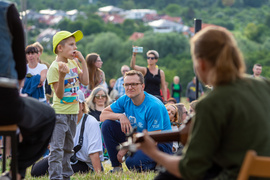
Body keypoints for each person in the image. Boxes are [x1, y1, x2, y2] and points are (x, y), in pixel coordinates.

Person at [137, 26, 270, 180]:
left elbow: (188, 170)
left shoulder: (211, 103)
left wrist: (152, 152)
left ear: (201, 63)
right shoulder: (265, 86)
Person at [0, 1, 55, 179]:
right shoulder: (6, 9)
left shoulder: (43, 68)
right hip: (4, 102)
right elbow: (20, 68)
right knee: (47, 116)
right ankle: (17, 171)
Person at [100, 70, 172, 172]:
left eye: (134, 84)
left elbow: (153, 140)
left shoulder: (153, 105)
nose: (130, 87)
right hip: (137, 138)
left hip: (160, 143)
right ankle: (117, 167)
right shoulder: (125, 99)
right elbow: (103, 115)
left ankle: (161, 164)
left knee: (132, 163)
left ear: (142, 86)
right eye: (127, 84)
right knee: (107, 125)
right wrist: (120, 116)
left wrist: (125, 149)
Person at [47, 30, 89, 180]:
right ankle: (55, 177)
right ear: (60, 48)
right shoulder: (53, 68)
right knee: (57, 149)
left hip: (73, 112)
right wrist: (62, 76)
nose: (75, 48)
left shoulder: (72, 62)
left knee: (68, 148)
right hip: (59, 113)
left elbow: (85, 81)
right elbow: (58, 94)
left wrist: (83, 61)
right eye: (71, 45)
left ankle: (66, 176)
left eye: (75, 44)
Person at [30, 90, 103, 177]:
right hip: (64, 157)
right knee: (36, 171)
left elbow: (94, 153)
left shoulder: (91, 122)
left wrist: (98, 175)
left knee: (62, 173)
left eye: (75, 103)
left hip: (84, 163)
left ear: (82, 105)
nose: (71, 106)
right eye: (68, 103)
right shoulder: (62, 120)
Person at [86, 86, 111, 159]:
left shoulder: (110, 110)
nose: (100, 98)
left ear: (106, 98)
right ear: (93, 98)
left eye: (103, 96)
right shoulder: (89, 112)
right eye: (97, 96)